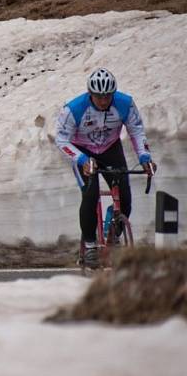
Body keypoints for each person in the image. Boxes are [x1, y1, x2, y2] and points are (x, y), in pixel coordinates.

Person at [55, 68, 156, 268]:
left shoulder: (125, 103)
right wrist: (82, 160)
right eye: (99, 96)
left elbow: (136, 131)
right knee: (90, 194)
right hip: (83, 151)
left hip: (110, 148)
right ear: (90, 93)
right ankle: (91, 247)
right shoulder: (74, 109)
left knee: (125, 198)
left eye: (108, 96)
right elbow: (61, 140)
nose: (103, 100)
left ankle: (112, 232)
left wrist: (144, 157)